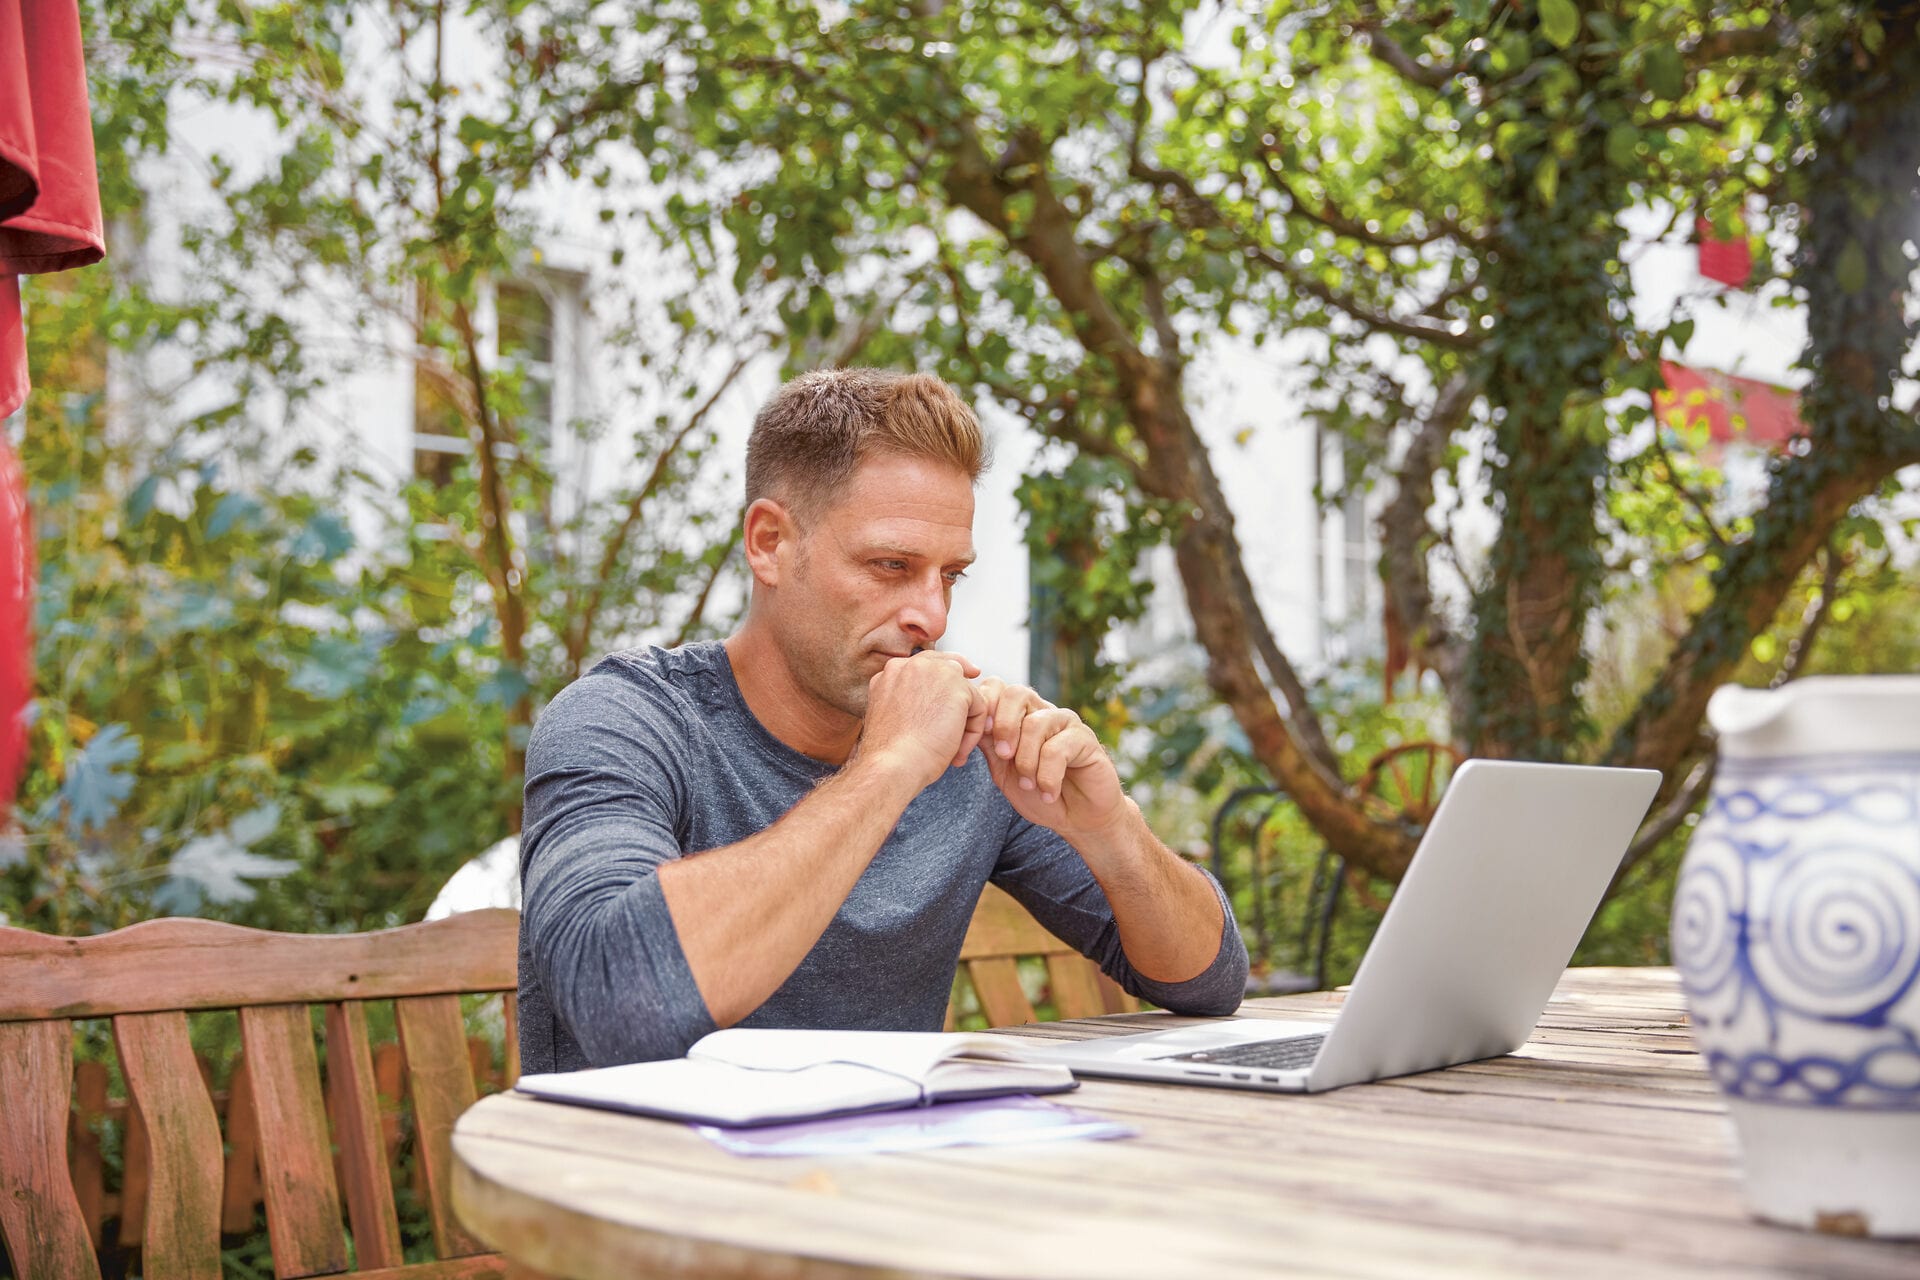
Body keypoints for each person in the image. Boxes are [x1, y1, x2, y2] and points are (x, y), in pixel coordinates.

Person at [517, 369, 1248, 1072]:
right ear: (770, 543)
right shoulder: (625, 720)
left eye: (950, 575)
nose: (930, 615)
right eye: (891, 565)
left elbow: (1206, 981)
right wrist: (888, 769)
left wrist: (1108, 828)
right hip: (639, 1190)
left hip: (882, 1183)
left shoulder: (967, 750)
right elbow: (619, 996)